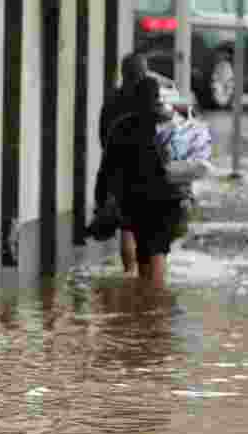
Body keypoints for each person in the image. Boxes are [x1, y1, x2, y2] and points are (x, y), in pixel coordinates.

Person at [94, 76, 190, 288]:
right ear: (158, 99)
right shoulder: (171, 125)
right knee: (154, 253)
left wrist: (101, 202)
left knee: (148, 255)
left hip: (139, 203)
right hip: (167, 203)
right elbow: (187, 165)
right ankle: (154, 300)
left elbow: (106, 170)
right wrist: (187, 197)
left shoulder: (122, 127)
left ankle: (151, 301)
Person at [96, 53, 150, 275]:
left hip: (118, 168)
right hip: (145, 169)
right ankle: (145, 277)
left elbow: (103, 134)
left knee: (127, 227)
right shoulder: (148, 98)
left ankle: (130, 273)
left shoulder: (111, 100)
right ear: (143, 73)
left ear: (123, 73)